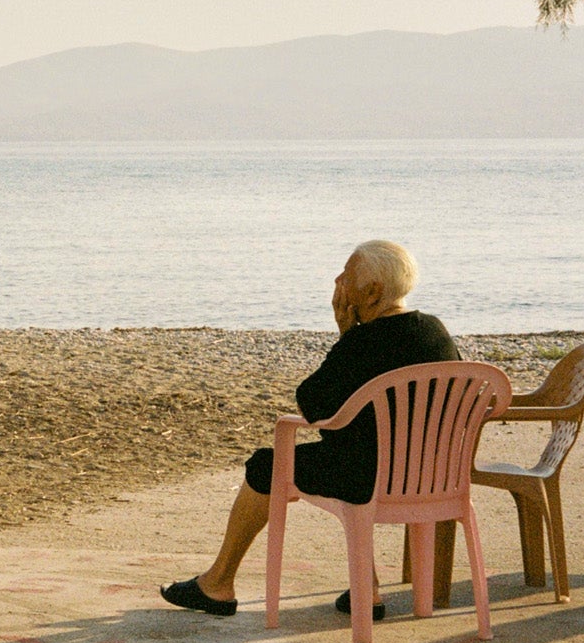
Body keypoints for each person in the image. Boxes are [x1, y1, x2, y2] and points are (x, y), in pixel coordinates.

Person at [160, 240, 458, 620]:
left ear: (372, 292)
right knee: (342, 455)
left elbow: (312, 404)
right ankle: (366, 588)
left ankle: (218, 583)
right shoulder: (435, 331)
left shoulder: (363, 341)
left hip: (366, 479)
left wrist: (346, 335)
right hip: (432, 477)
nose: (337, 281)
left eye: (346, 275)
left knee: (266, 466)